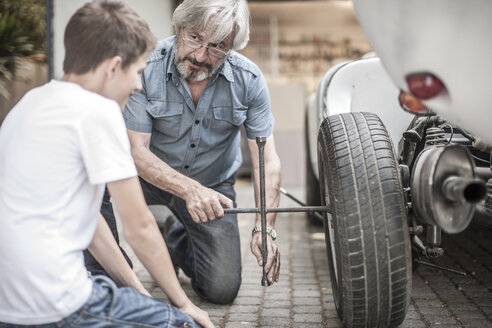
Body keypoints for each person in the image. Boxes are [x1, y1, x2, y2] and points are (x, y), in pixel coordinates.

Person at [0, 1, 213, 327]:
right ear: (113, 67)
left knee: (123, 297)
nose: (139, 85)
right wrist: (184, 305)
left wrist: (140, 294)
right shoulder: (97, 112)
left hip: (10, 303)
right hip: (55, 304)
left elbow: (94, 225)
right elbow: (139, 227)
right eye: (138, 71)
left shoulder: (31, 102)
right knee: (188, 323)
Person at [84, 0, 282, 305]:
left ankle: (176, 235)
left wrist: (265, 227)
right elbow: (136, 151)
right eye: (195, 38)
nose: (201, 55)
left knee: (221, 289)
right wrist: (189, 190)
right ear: (179, 28)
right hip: (144, 179)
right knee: (93, 182)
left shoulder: (249, 80)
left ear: (232, 47)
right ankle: (105, 272)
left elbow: (266, 161)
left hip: (212, 187)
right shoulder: (145, 67)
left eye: (218, 46)